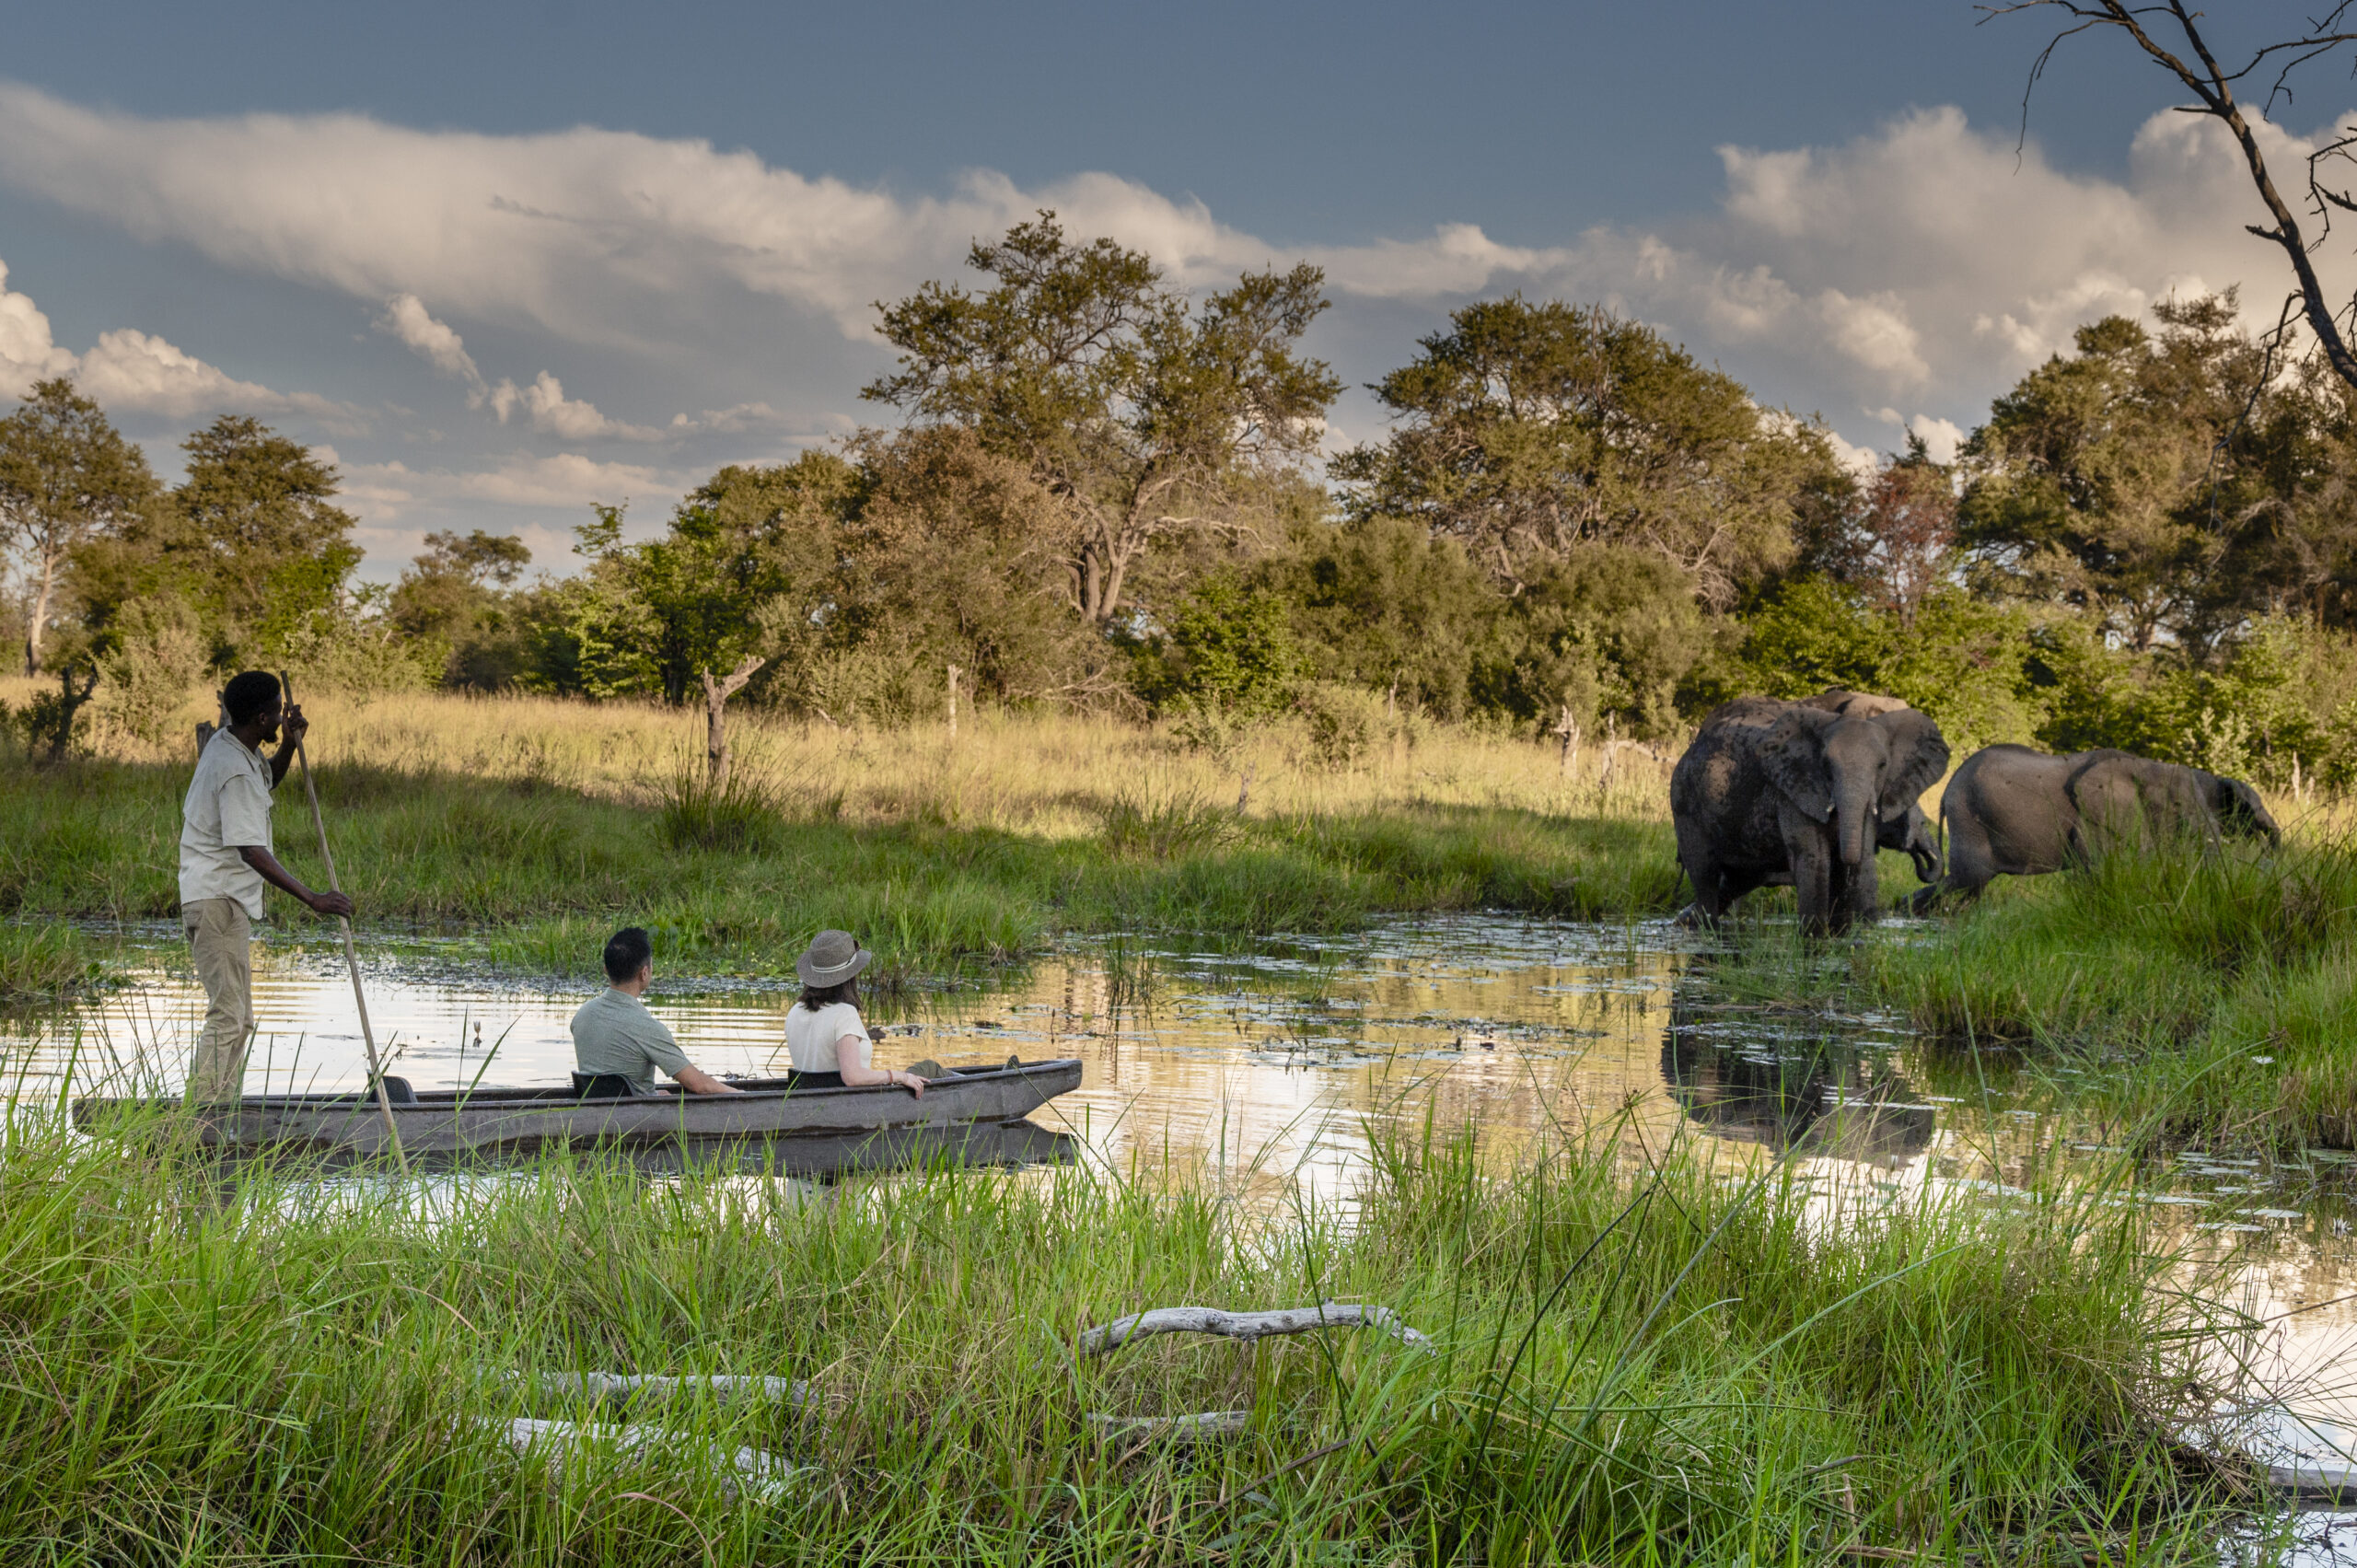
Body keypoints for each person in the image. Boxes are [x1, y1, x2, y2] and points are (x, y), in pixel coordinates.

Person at [179, 670, 354, 1103]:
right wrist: (313, 898)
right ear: (261, 717)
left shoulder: (233, 745)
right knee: (228, 1016)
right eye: (277, 712)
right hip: (217, 900)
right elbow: (250, 850)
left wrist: (291, 745)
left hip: (225, 901)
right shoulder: (231, 768)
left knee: (240, 1018)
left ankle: (222, 1110)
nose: (281, 717)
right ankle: (200, 1122)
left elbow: (268, 779)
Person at [571, 926, 743, 1096]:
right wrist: (742, 1094)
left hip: (596, 1112)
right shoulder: (647, 1028)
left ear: (606, 970)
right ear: (644, 973)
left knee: (663, 1095)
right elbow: (699, 1085)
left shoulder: (581, 1016)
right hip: (635, 1118)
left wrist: (651, 1094)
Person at [784, 930, 925, 1096]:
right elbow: (853, 1077)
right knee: (930, 1068)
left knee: (914, 1073)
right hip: (849, 1104)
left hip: (807, 1101)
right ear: (850, 975)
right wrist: (898, 1076)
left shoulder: (794, 1011)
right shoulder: (845, 1014)